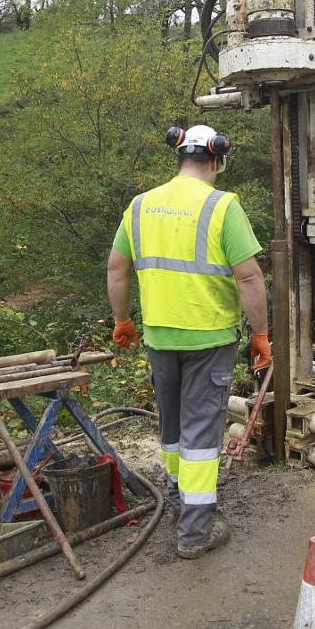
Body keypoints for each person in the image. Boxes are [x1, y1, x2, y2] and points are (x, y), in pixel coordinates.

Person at [106, 124, 271, 559]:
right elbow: (250, 276)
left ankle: (179, 495)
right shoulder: (222, 206)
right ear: (216, 159)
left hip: (159, 336)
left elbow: (116, 270)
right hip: (209, 338)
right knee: (200, 433)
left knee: (173, 425)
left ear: (179, 156)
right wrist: (260, 334)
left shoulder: (141, 206)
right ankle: (195, 533)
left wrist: (122, 320)